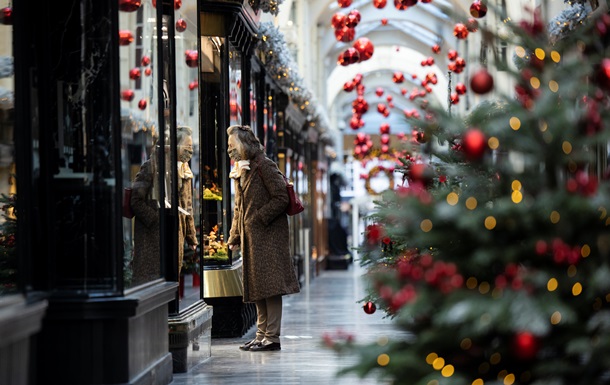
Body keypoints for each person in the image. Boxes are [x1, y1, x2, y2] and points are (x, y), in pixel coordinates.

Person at [226, 124, 300, 352]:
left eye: (232, 146)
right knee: (258, 288)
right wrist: (235, 235)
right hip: (252, 239)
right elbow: (239, 207)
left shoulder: (265, 166)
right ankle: (260, 335)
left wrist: (258, 218)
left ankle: (272, 336)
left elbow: (281, 197)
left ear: (244, 144)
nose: (229, 151)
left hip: (268, 238)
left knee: (270, 288)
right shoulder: (242, 169)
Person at [131, 126, 198, 286]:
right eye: (187, 147)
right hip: (153, 240)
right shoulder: (152, 166)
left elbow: (188, 207)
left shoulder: (186, 171)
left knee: (171, 281)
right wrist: (155, 219)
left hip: (175, 236)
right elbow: (135, 200)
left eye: (191, 147)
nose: (190, 151)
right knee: (153, 283)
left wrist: (191, 237)